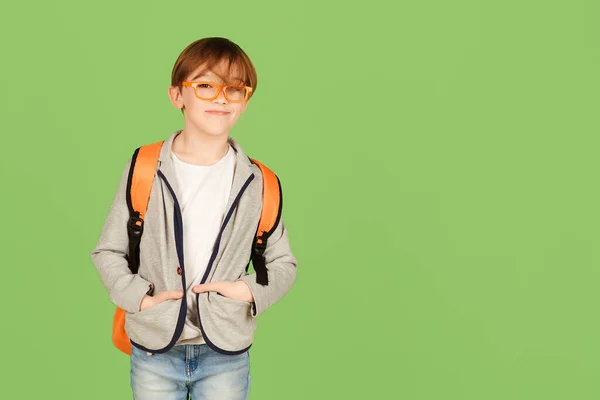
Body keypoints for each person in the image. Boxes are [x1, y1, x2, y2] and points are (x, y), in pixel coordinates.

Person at [90, 37, 298, 400]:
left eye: (234, 89)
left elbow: (283, 264)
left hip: (225, 354)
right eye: (205, 85)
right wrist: (138, 298)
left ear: (245, 101)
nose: (220, 97)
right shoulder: (144, 168)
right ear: (177, 96)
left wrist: (246, 291)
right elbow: (108, 251)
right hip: (154, 348)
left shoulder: (260, 182)